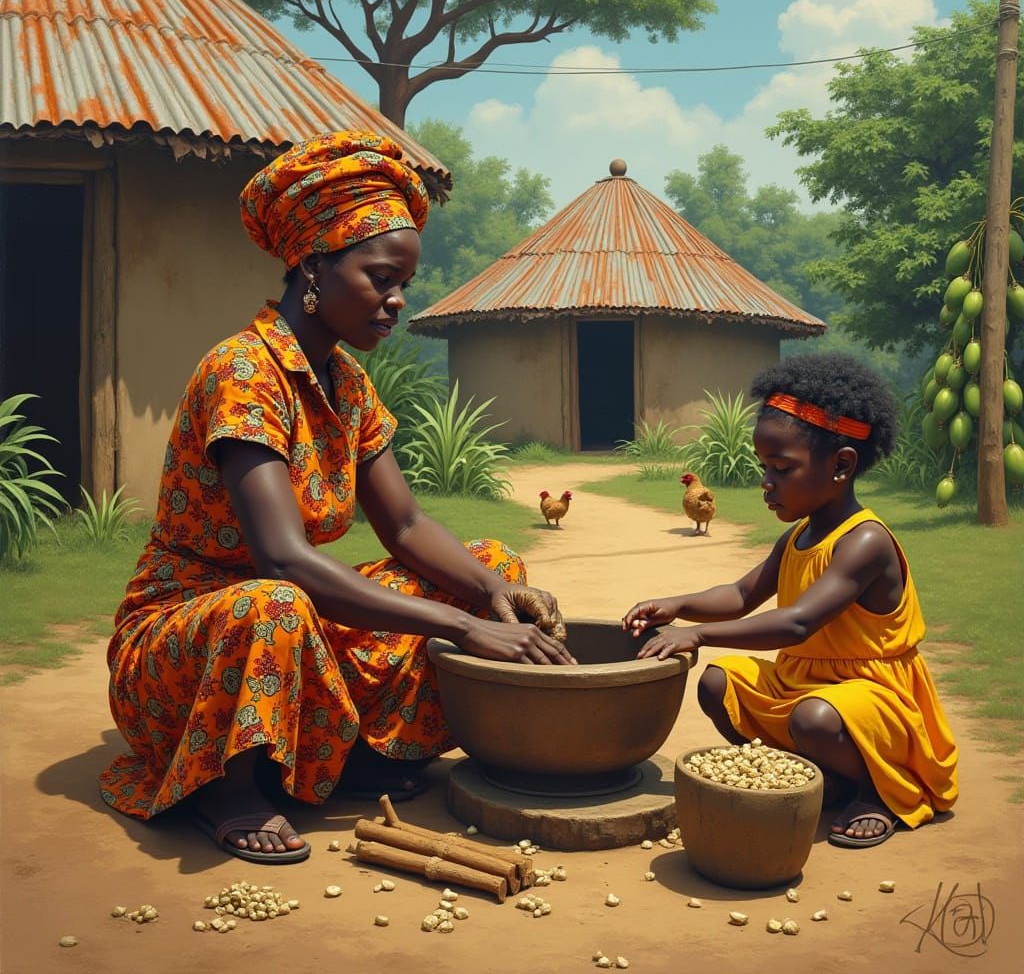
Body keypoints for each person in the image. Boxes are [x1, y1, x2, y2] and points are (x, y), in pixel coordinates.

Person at [100, 131, 574, 865]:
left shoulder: (347, 383)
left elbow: (408, 525)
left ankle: (344, 756)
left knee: (490, 561)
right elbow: (283, 561)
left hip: (296, 624)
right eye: (380, 278)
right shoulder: (244, 370)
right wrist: (462, 625)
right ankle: (229, 789)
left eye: (403, 284)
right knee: (274, 603)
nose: (396, 301)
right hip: (192, 643)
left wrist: (492, 594)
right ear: (315, 265)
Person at [621, 353, 958, 848]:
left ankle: (880, 791)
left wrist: (696, 634)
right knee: (719, 684)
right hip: (804, 681)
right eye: (764, 467)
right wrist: (677, 604)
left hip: (873, 695)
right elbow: (740, 595)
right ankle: (827, 776)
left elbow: (797, 623)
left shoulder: (863, 541)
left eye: (782, 468)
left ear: (841, 465)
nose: (766, 482)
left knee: (813, 717)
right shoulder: (798, 536)